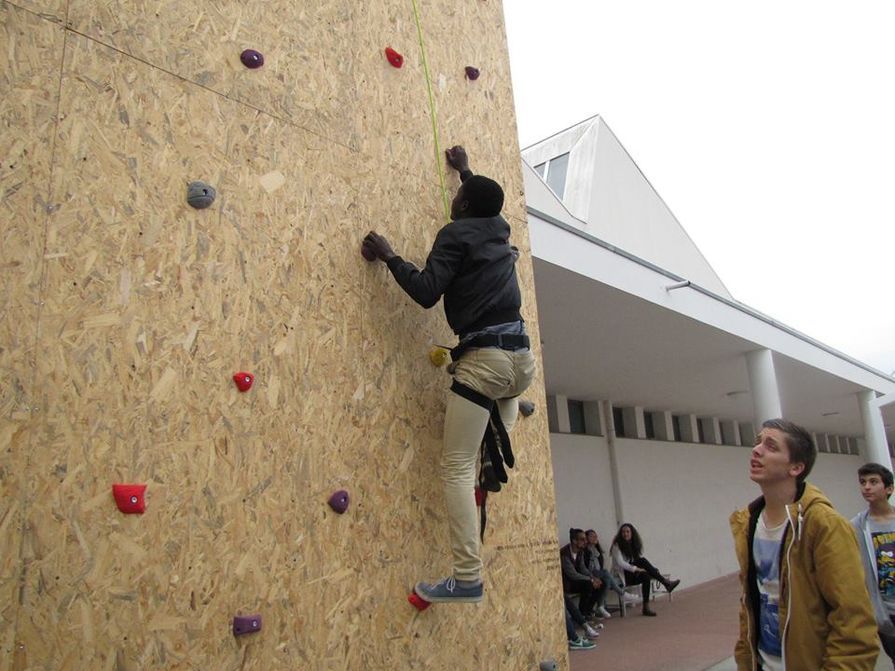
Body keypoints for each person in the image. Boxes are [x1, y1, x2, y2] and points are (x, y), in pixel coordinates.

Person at [362, 146, 535, 604]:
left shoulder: (455, 234)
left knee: (456, 466)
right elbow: (484, 201)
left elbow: (424, 292)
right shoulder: (499, 227)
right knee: (504, 391)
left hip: (486, 365)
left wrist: (389, 255)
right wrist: (464, 171)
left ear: (461, 207)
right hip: (521, 360)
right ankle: (506, 422)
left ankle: (468, 577)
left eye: (459, 197)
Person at [730, 418, 878, 670]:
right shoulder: (747, 523)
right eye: (757, 442)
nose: (756, 450)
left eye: (771, 446)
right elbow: (750, 605)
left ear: (796, 467)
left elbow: (853, 623)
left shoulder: (824, 525)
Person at [851, 462, 895, 668]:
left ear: (889, 489)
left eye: (873, 482)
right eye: (863, 482)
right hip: (885, 612)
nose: (866, 487)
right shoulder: (857, 526)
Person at [610, 523, 680, 617]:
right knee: (642, 561)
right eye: (623, 532)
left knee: (646, 576)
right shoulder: (616, 545)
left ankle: (646, 608)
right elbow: (620, 563)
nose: (625, 534)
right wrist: (636, 569)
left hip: (631, 574)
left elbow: (635, 561)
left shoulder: (632, 545)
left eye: (627, 531)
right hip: (622, 576)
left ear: (632, 533)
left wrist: (650, 570)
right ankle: (666, 583)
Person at [561, 528, 604, 619]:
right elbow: (573, 574)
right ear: (574, 541)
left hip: (577, 581)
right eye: (582, 539)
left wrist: (593, 577)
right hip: (568, 583)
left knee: (600, 583)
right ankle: (582, 615)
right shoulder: (565, 554)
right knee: (588, 585)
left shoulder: (580, 552)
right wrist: (591, 580)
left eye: (585, 539)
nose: (585, 541)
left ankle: (589, 611)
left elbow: (583, 568)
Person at [584, 528, 627, 617]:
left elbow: (600, 566)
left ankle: (600, 607)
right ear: (586, 538)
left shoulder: (597, 551)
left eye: (596, 535)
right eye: (592, 535)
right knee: (606, 573)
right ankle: (622, 593)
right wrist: (594, 577)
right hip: (589, 575)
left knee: (606, 581)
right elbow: (586, 568)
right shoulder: (585, 551)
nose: (595, 537)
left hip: (598, 574)